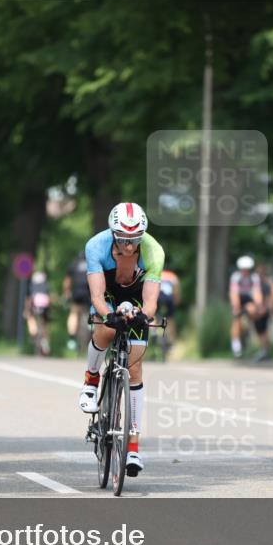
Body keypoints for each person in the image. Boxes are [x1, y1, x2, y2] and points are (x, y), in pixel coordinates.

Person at [77, 201, 164, 478]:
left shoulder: (153, 251)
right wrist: (109, 315)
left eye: (134, 239)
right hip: (109, 293)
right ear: (113, 234)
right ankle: (91, 379)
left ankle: (134, 447)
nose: (129, 246)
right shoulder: (96, 246)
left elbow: (150, 302)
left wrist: (143, 315)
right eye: (123, 239)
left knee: (135, 369)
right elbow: (97, 297)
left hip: (137, 295)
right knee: (106, 329)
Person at [229, 256, 264, 358]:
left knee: (253, 311)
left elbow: (257, 293)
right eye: (243, 269)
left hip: (249, 298)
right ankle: (236, 345)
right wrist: (236, 307)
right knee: (236, 320)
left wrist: (259, 305)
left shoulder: (254, 277)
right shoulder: (236, 277)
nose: (245, 271)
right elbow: (234, 293)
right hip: (238, 298)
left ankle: (249, 330)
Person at [64, 253, 91, 352]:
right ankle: (91, 328)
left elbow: (67, 282)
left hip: (77, 293)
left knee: (74, 313)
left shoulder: (73, 265)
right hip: (89, 293)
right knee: (91, 312)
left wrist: (67, 293)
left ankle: (72, 338)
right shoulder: (91, 264)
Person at [25, 271, 52, 356]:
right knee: (45, 324)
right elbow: (49, 298)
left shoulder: (31, 285)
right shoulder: (46, 285)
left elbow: (29, 299)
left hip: (34, 304)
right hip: (45, 305)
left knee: (30, 317)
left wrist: (26, 310)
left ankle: (33, 332)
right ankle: (45, 343)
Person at [253, 262, 273, 361]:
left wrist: (268, 308)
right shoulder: (256, 283)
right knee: (261, 331)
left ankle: (264, 351)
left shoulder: (267, 283)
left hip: (264, 310)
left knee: (263, 331)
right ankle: (264, 350)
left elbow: (270, 296)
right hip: (258, 310)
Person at [158, 265, 181, 345]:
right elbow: (177, 289)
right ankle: (172, 340)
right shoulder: (173, 276)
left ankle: (154, 333)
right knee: (170, 318)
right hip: (169, 298)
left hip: (159, 297)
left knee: (154, 315)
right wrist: (176, 302)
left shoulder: (158, 274)